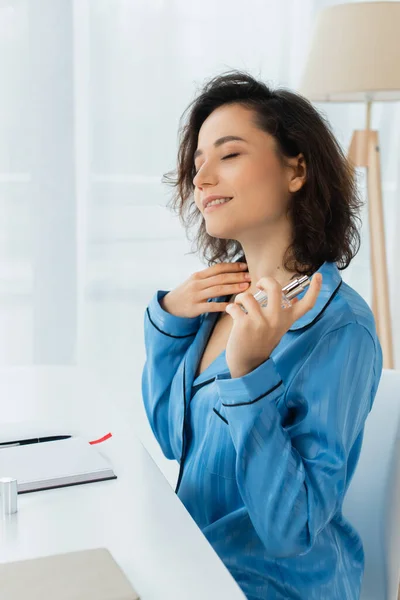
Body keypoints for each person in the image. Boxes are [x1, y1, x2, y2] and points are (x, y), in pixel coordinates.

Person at [141, 70, 383, 600]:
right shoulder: (220, 301)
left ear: (296, 169)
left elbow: (289, 530)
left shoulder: (339, 329)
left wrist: (250, 375)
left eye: (228, 155)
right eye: (198, 162)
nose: (201, 178)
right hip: (192, 568)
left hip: (272, 587)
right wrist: (171, 322)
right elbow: (171, 436)